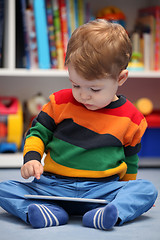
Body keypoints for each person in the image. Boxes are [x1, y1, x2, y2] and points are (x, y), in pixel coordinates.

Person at [0, 19, 157, 230]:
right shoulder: (59, 102)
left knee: (146, 190)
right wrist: (32, 158)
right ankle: (49, 213)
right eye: (76, 85)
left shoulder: (133, 118)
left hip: (102, 191)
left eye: (94, 89)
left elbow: (131, 159)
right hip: (53, 187)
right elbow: (37, 133)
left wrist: (126, 193)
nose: (84, 95)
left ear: (120, 78)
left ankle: (107, 213)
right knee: (5, 189)